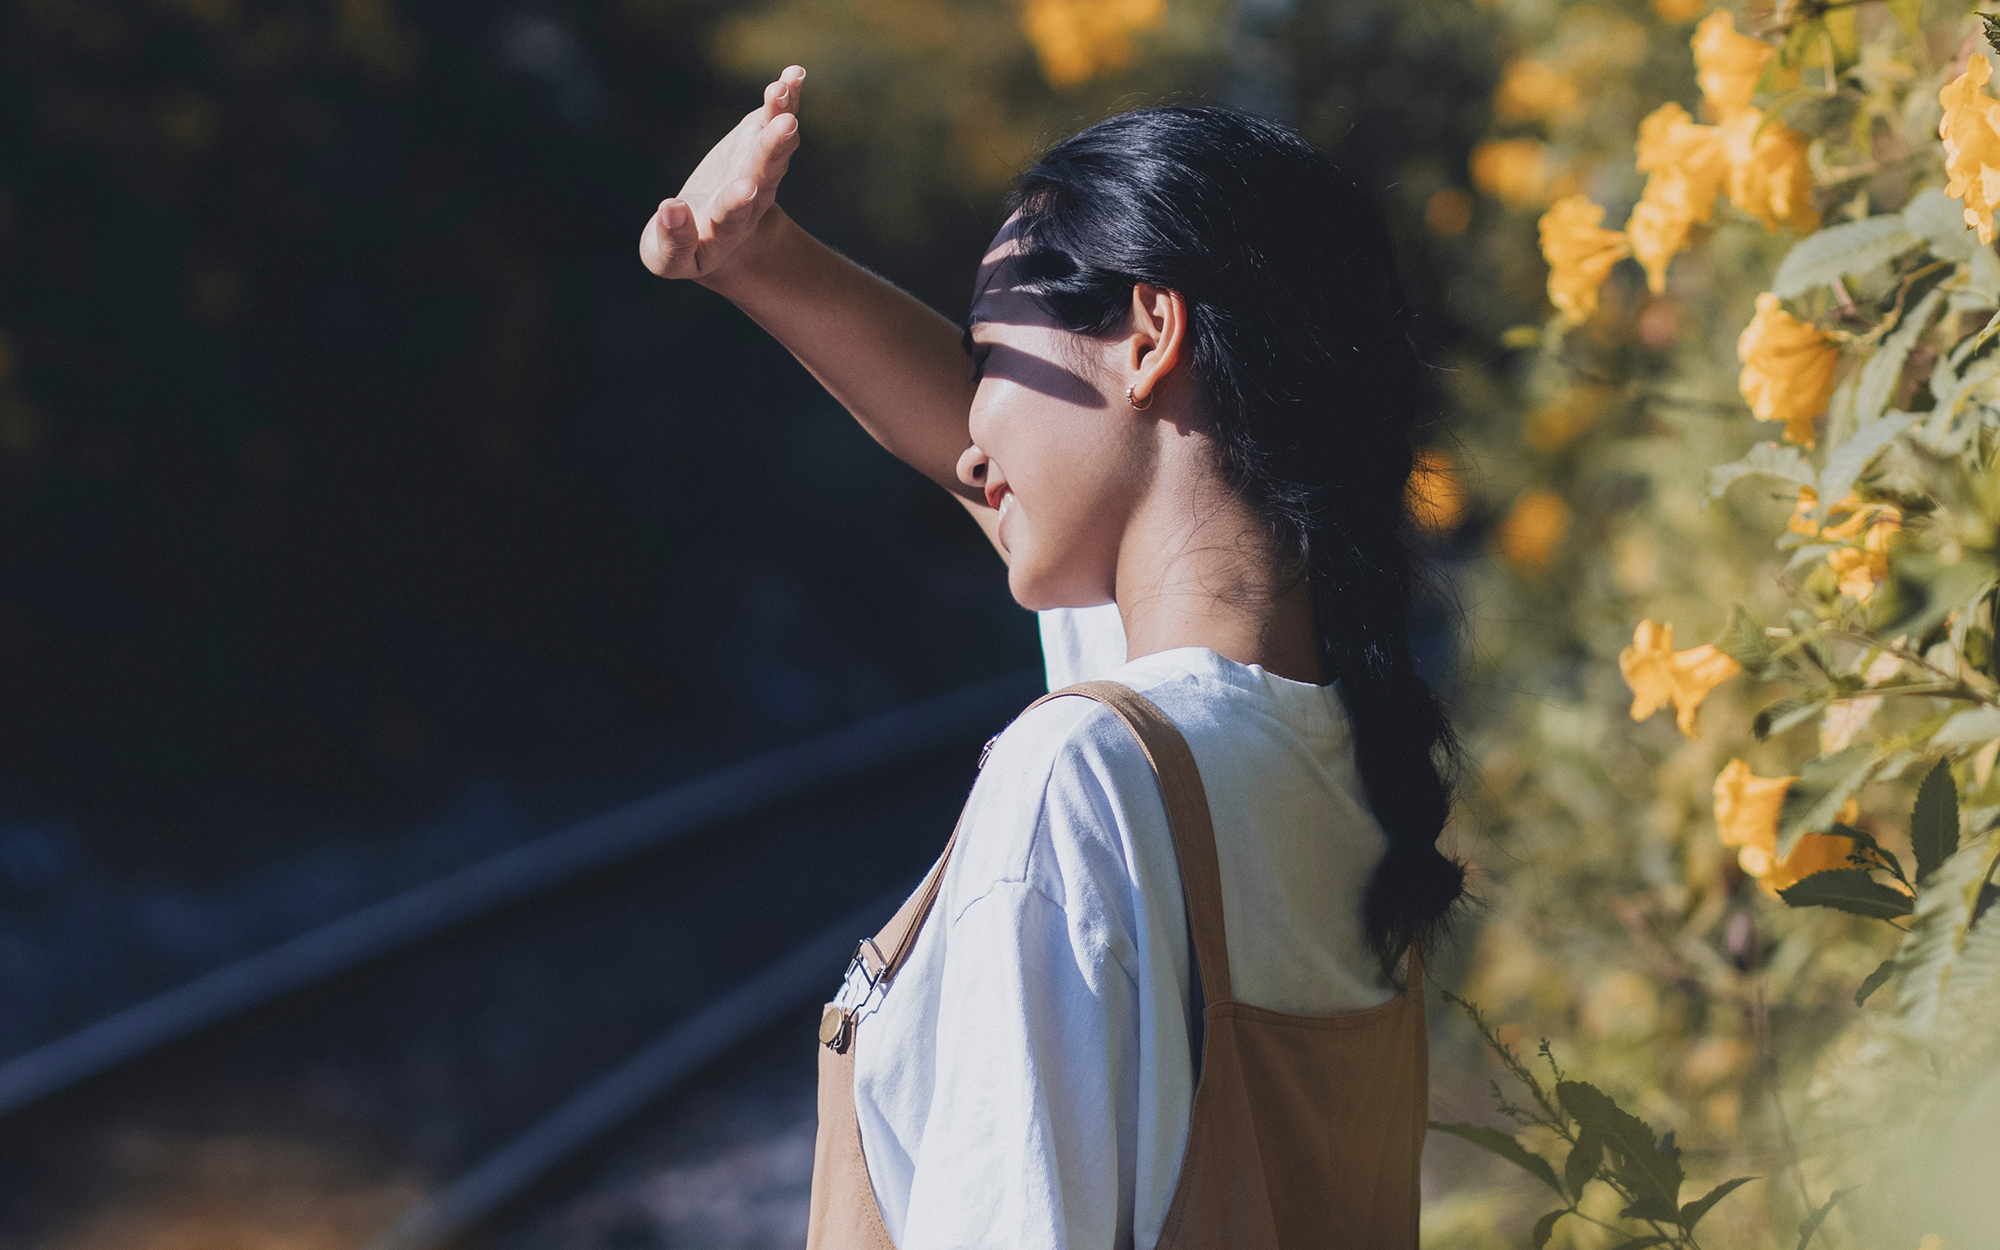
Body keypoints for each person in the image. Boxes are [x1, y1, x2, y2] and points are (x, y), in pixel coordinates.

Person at [639, 67, 1465, 1250]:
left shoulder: (1087, 773)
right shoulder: (1328, 755)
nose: (974, 440)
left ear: (1148, 335)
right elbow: (1003, 461)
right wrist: (757, 256)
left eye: (990, 357)